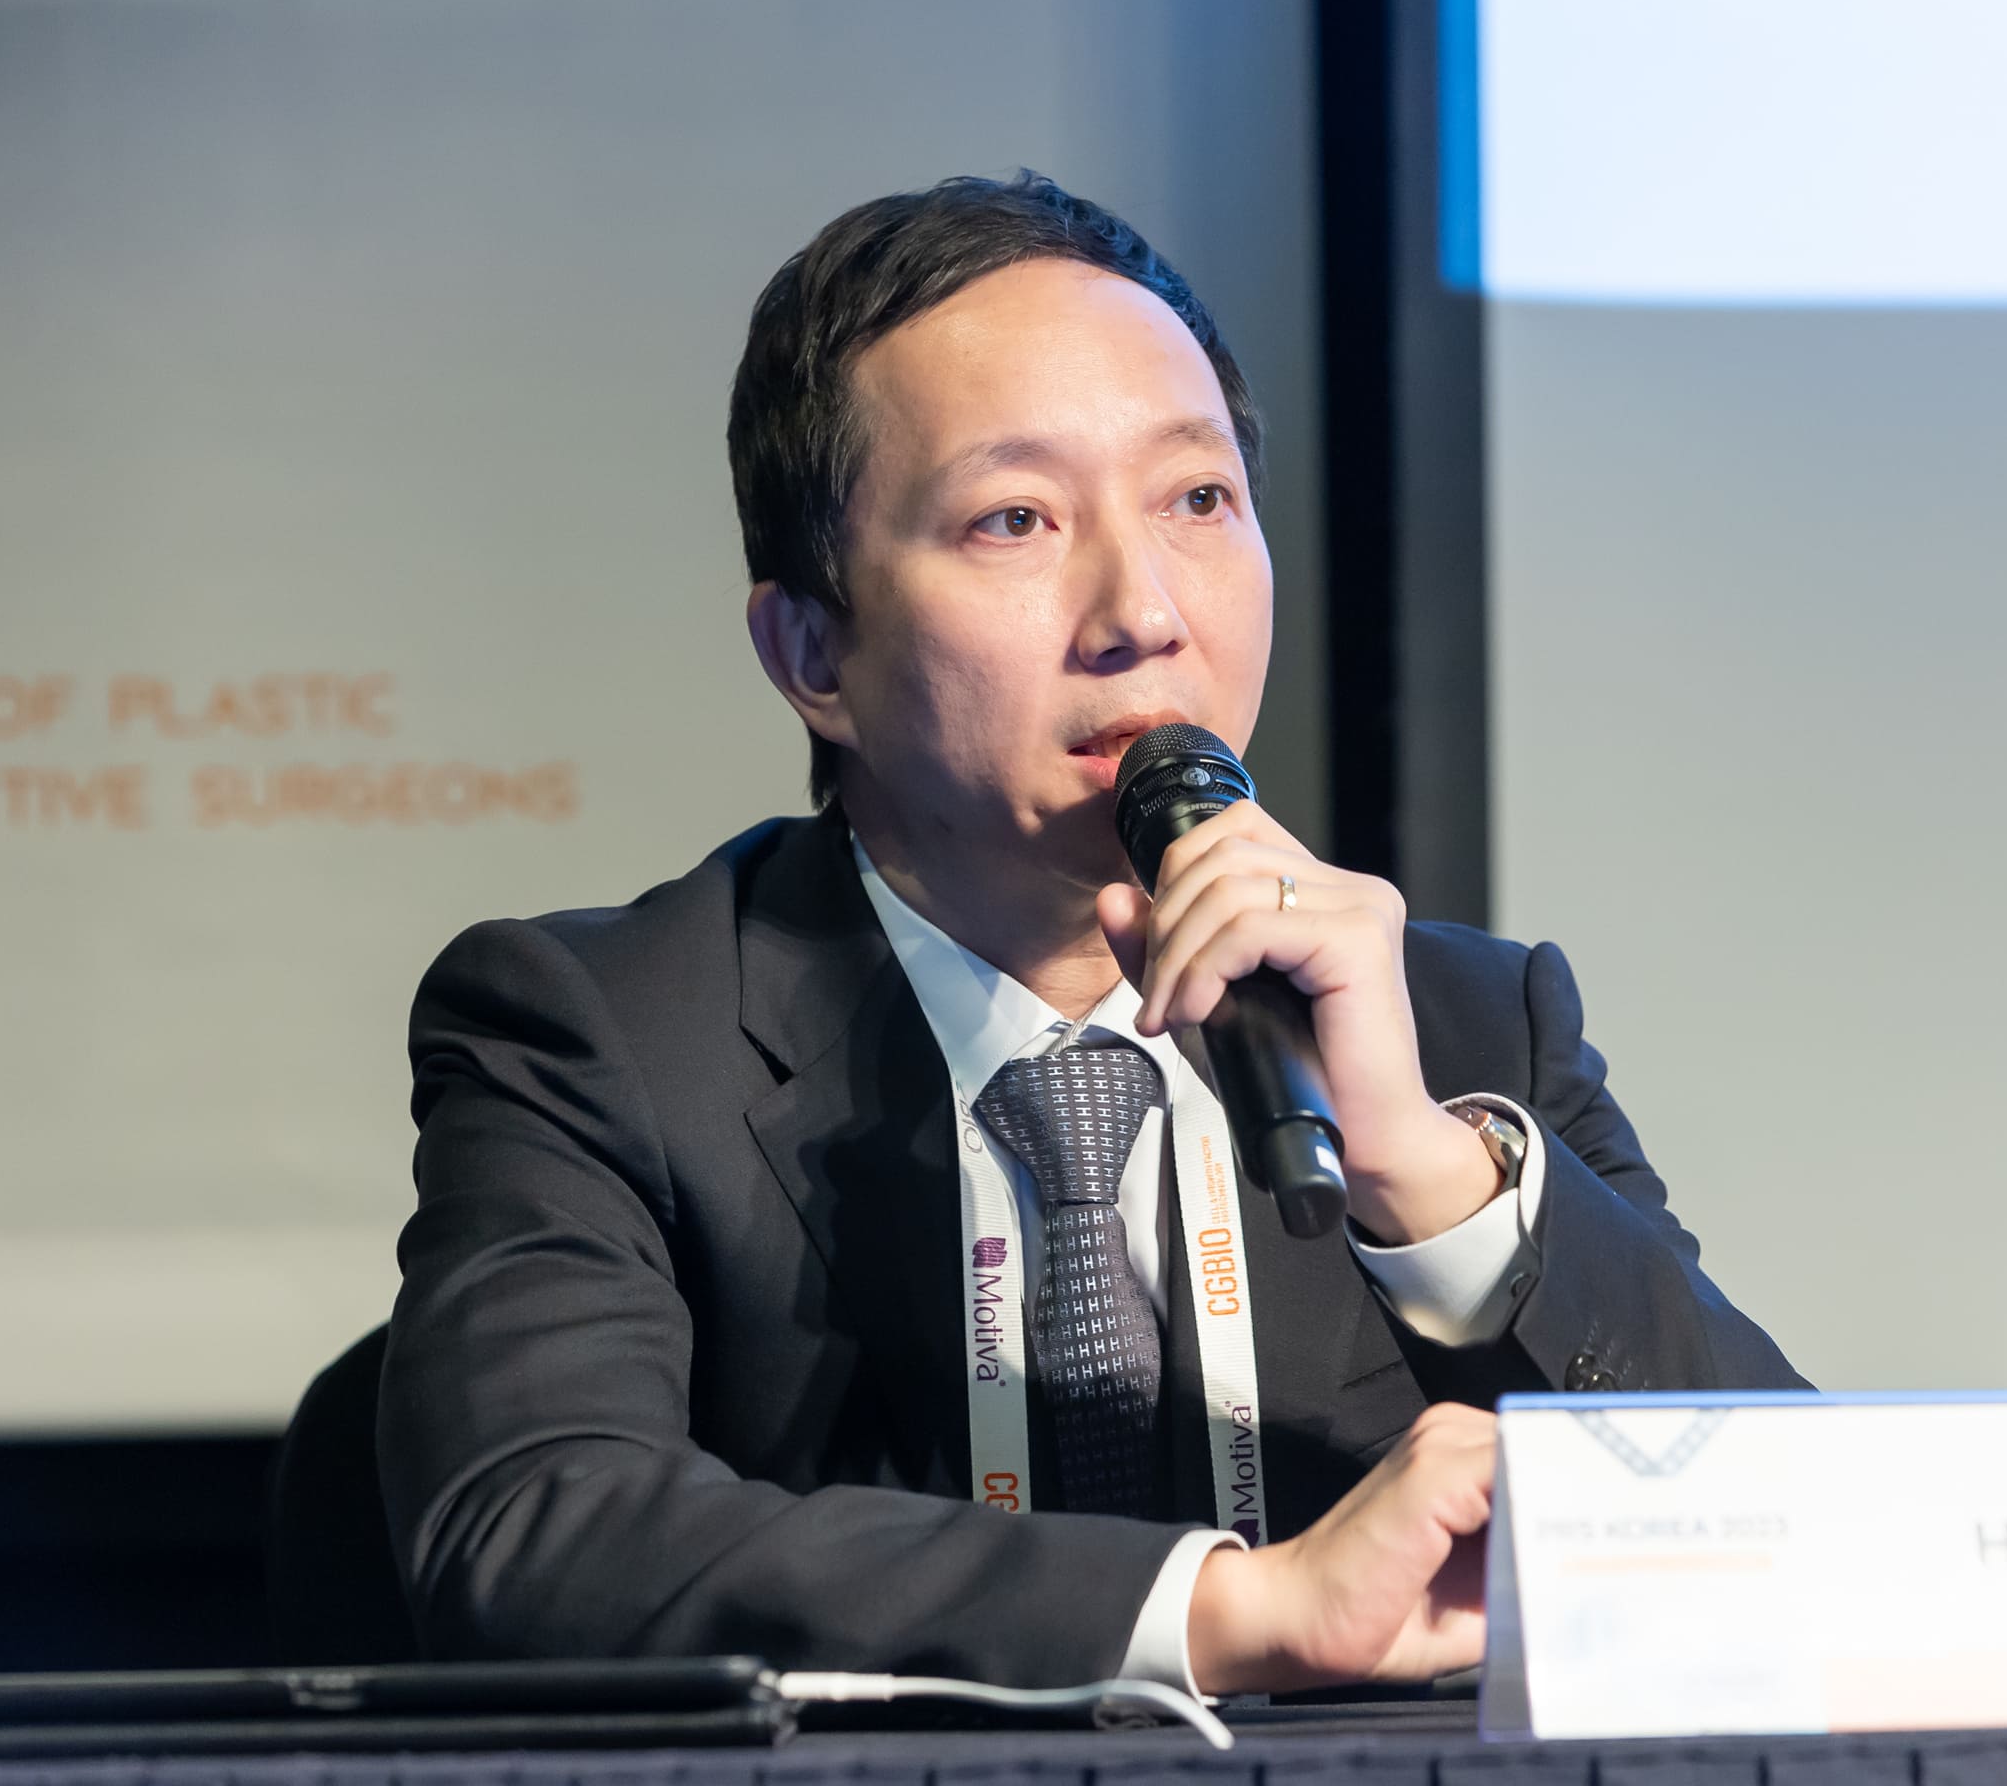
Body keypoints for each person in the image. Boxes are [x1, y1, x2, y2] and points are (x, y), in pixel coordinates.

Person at [378, 172, 1805, 1698]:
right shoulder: (605, 1030)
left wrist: (1427, 1175)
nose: (1144, 611)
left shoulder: (1460, 1023)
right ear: (813, 653)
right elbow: (535, 1531)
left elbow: (1805, 1541)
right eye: (1016, 520)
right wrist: (1233, 1612)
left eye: (1198, 501)